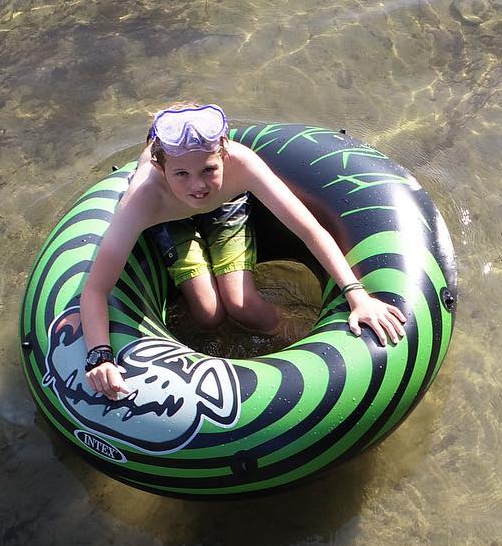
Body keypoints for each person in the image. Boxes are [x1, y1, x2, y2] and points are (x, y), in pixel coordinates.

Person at [79, 104, 407, 400]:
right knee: (208, 314)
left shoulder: (241, 164)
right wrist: (100, 356)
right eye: (181, 173)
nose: (197, 185)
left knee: (244, 306)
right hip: (168, 218)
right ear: (160, 166)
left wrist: (356, 294)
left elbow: (309, 230)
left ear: (223, 153)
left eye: (208, 169)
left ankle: (303, 341)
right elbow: (95, 289)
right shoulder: (142, 199)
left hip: (226, 203)